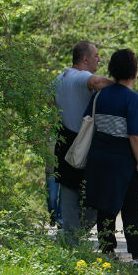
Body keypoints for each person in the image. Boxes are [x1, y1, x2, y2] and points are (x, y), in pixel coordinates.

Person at [83, 49, 138, 270]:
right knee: (132, 210)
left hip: (98, 158)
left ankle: (107, 252)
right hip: (123, 161)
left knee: (105, 208)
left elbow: (89, 120)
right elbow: (135, 136)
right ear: (133, 71)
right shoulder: (131, 99)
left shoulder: (100, 96)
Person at [53, 41, 113, 245]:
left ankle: (71, 243)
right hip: (83, 144)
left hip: (63, 143)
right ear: (85, 59)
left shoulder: (58, 79)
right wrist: (121, 86)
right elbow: (96, 82)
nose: (99, 59)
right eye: (96, 55)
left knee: (69, 198)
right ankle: (73, 240)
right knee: (94, 199)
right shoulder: (82, 77)